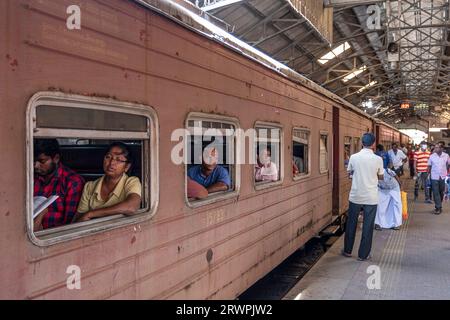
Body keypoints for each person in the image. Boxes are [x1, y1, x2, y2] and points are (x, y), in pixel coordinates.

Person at [73, 142, 142, 223]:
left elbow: (131, 207)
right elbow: (79, 218)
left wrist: (91, 214)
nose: (111, 163)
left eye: (118, 159)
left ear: (127, 167)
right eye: (108, 157)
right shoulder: (90, 186)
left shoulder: (131, 182)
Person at [342, 133, 384, 261]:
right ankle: (363, 254)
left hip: (356, 195)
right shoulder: (378, 159)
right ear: (373, 144)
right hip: (371, 197)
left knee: (351, 224)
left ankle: (348, 251)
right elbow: (381, 176)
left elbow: (349, 172)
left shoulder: (354, 157)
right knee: (368, 225)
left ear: (362, 143)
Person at [33, 139, 85, 231]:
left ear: (56, 158)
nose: (36, 166)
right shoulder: (30, 177)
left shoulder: (72, 182)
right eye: (33, 161)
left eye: (42, 161)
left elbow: (70, 224)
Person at [375, 167, 402, 231]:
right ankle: (378, 223)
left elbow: (395, 175)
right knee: (380, 205)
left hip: (394, 188)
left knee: (397, 205)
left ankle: (397, 224)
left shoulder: (387, 171)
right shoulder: (372, 174)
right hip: (382, 189)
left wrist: (400, 185)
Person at [427, 143, 450, 214]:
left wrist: (447, 172)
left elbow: (448, 164)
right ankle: (438, 207)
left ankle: (439, 205)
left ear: (441, 149)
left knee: (441, 191)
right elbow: (429, 166)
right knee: (435, 192)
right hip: (434, 176)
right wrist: (428, 175)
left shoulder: (446, 156)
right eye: (435, 147)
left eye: (437, 147)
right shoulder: (432, 156)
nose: (435, 149)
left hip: (443, 176)